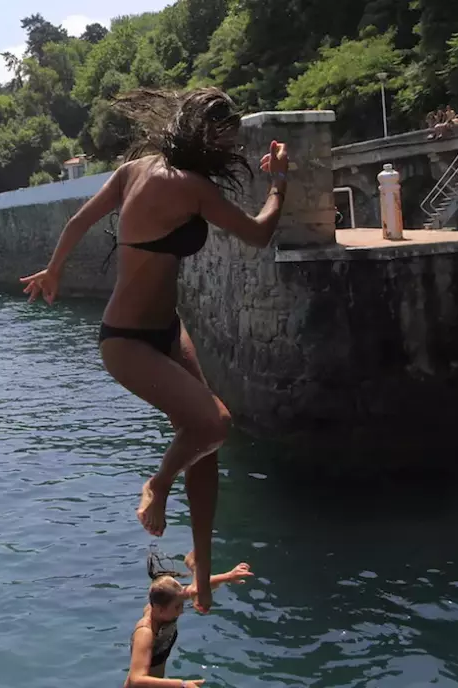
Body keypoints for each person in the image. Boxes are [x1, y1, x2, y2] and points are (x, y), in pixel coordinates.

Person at [20, 87, 289, 613]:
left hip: (166, 328)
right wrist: (280, 184)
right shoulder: (190, 187)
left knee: (204, 448)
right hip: (125, 342)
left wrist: (55, 268)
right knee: (214, 424)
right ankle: (157, 483)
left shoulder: (137, 168)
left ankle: (204, 575)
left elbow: (79, 221)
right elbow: (258, 234)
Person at [125, 547, 254, 688]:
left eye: (181, 604)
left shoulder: (165, 607)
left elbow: (197, 588)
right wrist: (183, 685)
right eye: (177, 607)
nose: (181, 611)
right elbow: (136, 679)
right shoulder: (145, 633)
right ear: (159, 609)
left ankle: (191, 563)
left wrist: (229, 576)